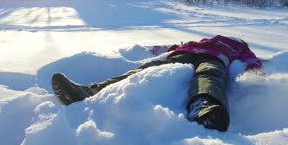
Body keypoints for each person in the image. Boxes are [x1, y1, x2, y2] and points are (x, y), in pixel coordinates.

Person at [51, 35, 262, 132]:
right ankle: (91, 91)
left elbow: (252, 60)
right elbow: (170, 46)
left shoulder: (238, 45)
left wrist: (256, 72)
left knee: (208, 75)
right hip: (180, 55)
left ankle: (204, 106)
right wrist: (150, 48)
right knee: (143, 70)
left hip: (214, 60)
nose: (221, 37)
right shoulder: (197, 42)